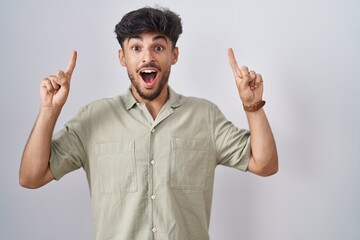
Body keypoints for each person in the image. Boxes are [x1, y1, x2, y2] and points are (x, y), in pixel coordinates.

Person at [19, 6, 278, 240]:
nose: (147, 58)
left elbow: (264, 164)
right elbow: (31, 177)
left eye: (158, 47)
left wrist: (252, 105)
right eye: (136, 48)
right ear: (122, 57)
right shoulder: (92, 118)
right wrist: (48, 111)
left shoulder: (204, 116)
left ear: (173, 55)